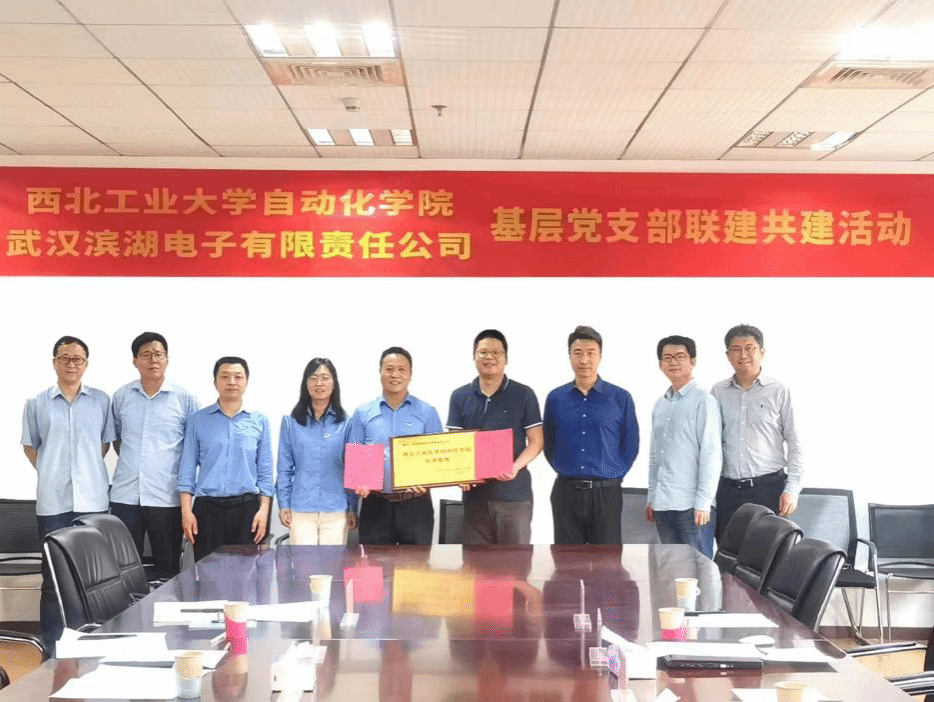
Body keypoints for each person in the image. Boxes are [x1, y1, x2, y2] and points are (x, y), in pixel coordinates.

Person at [21, 335, 115, 649]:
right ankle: (51, 648)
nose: (71, 364)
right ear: (54, 363)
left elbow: (103, 444)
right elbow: (31, 446)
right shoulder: (36, 403)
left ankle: (93, 643)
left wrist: (84, 471)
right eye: (65, 358)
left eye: (77, 359)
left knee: (93, 578)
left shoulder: (101, 401)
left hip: (93, 502)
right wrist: (51, 471)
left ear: (86, 364)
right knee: (53, 579)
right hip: (53, 504)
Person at [110, 332, 200, 578]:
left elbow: (193, 448)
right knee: (124, 569)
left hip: (166, 497)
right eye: (146, 355)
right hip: (126, 496)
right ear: (134, 360)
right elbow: (118, 439)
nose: (153, 360)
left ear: (167, 359)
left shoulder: (184, 399)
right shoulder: (121, 397)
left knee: (167, 568)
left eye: (158, 354)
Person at [543, 325, 639, 544]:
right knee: (567, 561)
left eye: (590, 353)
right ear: (569, 356)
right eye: (578, 353)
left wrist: (613, 473)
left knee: (607, 561)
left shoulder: (620, 398)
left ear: (600, 356)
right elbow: (549, 441)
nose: (584, 360)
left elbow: (631, 444)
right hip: (567, 492)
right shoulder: (556, 398)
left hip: (606, 493)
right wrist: (563, 466)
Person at [446, 329, 542, 544]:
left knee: (515, 562)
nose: (489, 357)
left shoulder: (523, 394)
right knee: (475, 562)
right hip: (475, 498)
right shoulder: (460, 396)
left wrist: (515, 467)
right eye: (483, 352)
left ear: (506, 358)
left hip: (514, 497)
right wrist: (458, 473)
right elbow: (455, 443)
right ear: (474, 357)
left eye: (496, 353)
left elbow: (537, 441)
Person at [712, 324, 802, 541]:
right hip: (727, 490)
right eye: (736, 349)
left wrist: (792, 489)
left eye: (749, 348)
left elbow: (795, 442)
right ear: (727, 355)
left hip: (768, 489)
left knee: (768, 553)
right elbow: (710, 443)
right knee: (727, 552)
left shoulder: (779, 390)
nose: (743, 354)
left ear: (762, 352)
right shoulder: (718, 392)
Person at [178, 356, 274, 561]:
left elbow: (265, 472)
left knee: (245, 574)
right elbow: (187, 469)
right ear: (215, 382)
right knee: (207, 574)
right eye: (225, 376)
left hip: (246, 509)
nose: (232, 382)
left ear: (246, 381)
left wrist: (264, 512)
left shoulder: (259, 421)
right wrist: (186, 512)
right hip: (207, 510)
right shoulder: (198, 420)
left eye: (238, 377)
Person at [348, 347, 443, 545]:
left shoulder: (427, 412)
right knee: (374, 564)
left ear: (410, 374)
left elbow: (438, 459)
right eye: (389, 369)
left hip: (416, 505)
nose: (395, 375)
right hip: (375, 504)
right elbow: (354, 460)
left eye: (401, 369)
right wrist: (358, 487)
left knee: (416, 564)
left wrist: (427, 480)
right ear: (380, 372)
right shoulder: (363, 413)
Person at [645, 335, 721, 558]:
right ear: (660, 364)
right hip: (663, 505)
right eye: (667, 358)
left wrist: (704, 502)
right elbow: (655, 456)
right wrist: (652, 497)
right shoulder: (660, 404)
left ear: (692, 361)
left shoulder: (704, 400)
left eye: (680, 356)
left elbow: (711, 453)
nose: (673, 362)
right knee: (672, 570)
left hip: (692, 507)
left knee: (699, 570)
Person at [277, 358, 356, 545]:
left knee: (333, 563)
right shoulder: (290, 422)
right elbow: (284, 468)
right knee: (304, 563)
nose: (319, 383)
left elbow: (351, 469)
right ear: (306, 384)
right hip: (301, 509)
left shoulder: (347, 423)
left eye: (325, 378)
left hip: (336, 509)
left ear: (334, 383)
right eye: (313, 378)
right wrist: (284, 504)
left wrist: (352, 507)